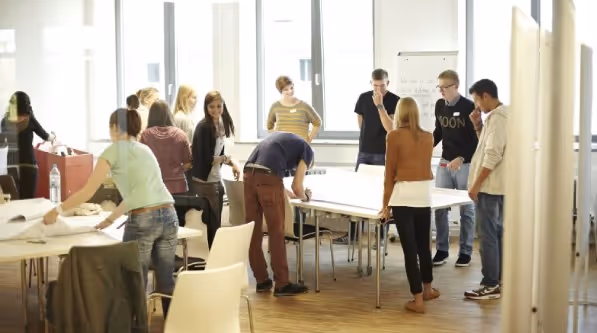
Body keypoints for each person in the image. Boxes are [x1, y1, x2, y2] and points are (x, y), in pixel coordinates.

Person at [42, 108, 178, 316]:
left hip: (143, 220)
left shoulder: (113, 151)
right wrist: (111, 219)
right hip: (169, 216)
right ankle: (174, 326)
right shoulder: (145, 149)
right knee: (166, 281)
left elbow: (88, 191)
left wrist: (57, 210)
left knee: (134, 283)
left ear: (115, 127)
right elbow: (137, 192)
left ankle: (136, 329)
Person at [380, 97, 439, 313]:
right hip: (424, 196)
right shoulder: (428, 136)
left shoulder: (393, 136)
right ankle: (428, 290)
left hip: (402, 198)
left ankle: (418, 300)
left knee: (409, 250)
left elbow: (390, 174)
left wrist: (385, 205)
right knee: (424, 247)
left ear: (400, 113)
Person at [334, 68, 399, 247]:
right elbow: (360, 122)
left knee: (383, 196)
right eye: (375, 85)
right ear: (370, 83)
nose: (378, 89)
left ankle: (381, 238)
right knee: (357, 192)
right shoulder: (363, 98)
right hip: (364, 151)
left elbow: (391, 128)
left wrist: (380, 105)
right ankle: (353, 235)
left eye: (382, 85)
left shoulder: (395, 100)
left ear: (388, 83)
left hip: (384, 152)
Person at [243, 131, 313, 296]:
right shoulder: (308, 150)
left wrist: (291, 194)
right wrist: (306, 196)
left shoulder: (284, 140)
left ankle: (261, 280)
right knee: (276, 231)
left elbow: (277, 186)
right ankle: (282, 283)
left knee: (254, 231)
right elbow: (297, 186)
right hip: (267, 176)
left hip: (248, 174)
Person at [464, 79, 507, 300]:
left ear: (486, 96)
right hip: (499, 186)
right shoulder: (497, 118)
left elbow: (492, 156)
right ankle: (498, 280)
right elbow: (486, 147)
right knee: (497, 233)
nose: (477, 106)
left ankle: (490, 284)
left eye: (477, 101)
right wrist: (478, 125)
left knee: (487, 235)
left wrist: (476, 185)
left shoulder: (499, 119)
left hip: (490, 188)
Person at [432, 70, 478, 267]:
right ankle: (442, 250)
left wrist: (461, 158)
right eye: (439, 87)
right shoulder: (440, 105)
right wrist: (425, 147)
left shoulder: (469, 107)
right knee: (440, 209)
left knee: (466, 209)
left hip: (465, 164)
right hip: (444, 162)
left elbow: (477, 140)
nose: (441, 91)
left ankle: (465, 252)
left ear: (456, 86)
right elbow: (438, 131)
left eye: (445, 87)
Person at [191, 91, 240, 246]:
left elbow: (220, 153)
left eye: (219, 106)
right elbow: (208, 159)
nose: (215, 110)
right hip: (205, 181)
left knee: (215, 220)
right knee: (213, 221)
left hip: (214, 178)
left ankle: (215, 252)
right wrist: (226, 159)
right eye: (211, 106)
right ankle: (214, 254)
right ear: (206, 107)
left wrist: (232, 163)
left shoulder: (220, 124)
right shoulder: (204, 126)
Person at [139, 100, 192, 226]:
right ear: (169, 114)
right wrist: (177, 169)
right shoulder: (180, 134)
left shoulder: (145, 136)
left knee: (155, 227)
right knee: (178, 227)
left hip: (153, 189)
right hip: (178, 188)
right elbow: (188, 163)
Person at [1, 91, 55, 199]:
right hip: (13, 166)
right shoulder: (5, 122)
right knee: (14, 201)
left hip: (29, 166)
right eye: (19, 115)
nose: (22, 118)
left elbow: (44, 135)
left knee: (29, 201)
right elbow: (2, 144)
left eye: (24, 115)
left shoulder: (30, 119)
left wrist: (53, 138)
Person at [266, 75, 321, 143]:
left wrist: (308, 140)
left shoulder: (304, 106)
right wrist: (276, 139)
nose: (290, 91)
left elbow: (317, 122)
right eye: (286, 89)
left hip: (300, 147)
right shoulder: (275, 106)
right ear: (280, 91)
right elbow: (269, 126)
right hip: (282, 147)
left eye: (291, 88)